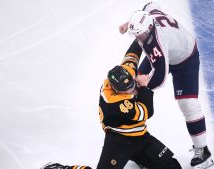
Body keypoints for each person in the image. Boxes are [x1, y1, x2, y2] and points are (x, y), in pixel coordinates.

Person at [43, 44, 182, 169]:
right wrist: (144, 87)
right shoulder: (115, 103)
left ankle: (141, 158)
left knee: (173, 167)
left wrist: (141, 37)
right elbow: (146, 112)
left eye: (132, 84)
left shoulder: (123, 74)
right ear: (117, 90)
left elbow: (131, 56)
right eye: (128, 89)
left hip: (141, 136)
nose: (133, 88)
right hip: (119, 140)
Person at [118, 2, 214, 168]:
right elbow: (151, 4)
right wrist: (130, 23)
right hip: (173, 48)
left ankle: (203, 150)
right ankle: (138, 145)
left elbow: (160, 78)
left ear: (149, 29)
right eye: (136, 35)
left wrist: (143, 86)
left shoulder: (158, 44)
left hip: (185, 59)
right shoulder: (149, 19)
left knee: (188, 104)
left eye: (140, 35)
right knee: (133, 85)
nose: (138, 39)